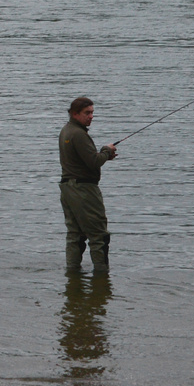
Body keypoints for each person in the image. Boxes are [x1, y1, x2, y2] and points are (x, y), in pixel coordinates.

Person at [58, 96, 117, 270]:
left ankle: (73, 275)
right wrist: (107, 150)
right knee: (99, 236)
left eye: (92, 113)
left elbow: (84, 159)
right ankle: (102, 277)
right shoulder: (78, 133)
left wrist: (104, 155)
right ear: (75, 113)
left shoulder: (66, 131)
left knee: (75, 235)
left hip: (67, 189)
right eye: (87, 113)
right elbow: (94, 161)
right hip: (84, 191)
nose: (91, 116)